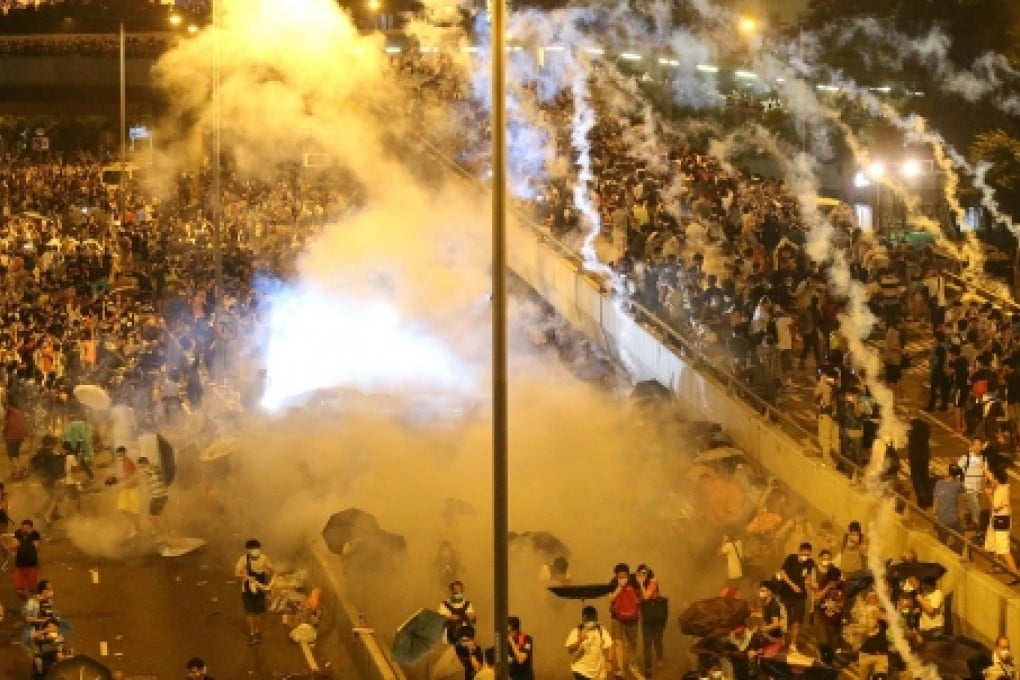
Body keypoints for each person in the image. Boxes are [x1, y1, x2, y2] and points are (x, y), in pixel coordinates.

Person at [234, 538, 275, 645]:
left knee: (259, 612)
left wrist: (270, 584)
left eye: (256, 548)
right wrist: (247, 576)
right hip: (247, 589)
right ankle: (252, 634)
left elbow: (273, 571)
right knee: (250, 612)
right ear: (248, 550)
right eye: (252, 548)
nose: (255, 550)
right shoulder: (243, 559)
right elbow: (236, 573)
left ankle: (257, 632)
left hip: (260, 588)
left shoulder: (264, 558)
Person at [984, 467, 1020, 584]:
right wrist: (985, 470)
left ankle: (1015, 573)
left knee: (1003, 549)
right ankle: (998, 566)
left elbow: (995, 505)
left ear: (997, 480)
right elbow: (990, 476)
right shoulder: (1001, 486)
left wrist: (989, 494)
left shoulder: (1001, 490)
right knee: (994, 544)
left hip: (1001, 521)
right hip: (997, 519)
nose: (992, 479)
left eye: (994, 478)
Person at [777, 542, 814, 652]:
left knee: (797, 621)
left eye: (808, 555)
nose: (805, 557)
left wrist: (810, 583)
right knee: (784, 620)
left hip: (800, 596)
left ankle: (793, 644)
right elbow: (782, 573)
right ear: (799, 551)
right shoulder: (791, 558)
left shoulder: (810, 563)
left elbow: (808, 577)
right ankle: (782, 639)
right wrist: (793, 585)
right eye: (804, 554)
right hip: (786, 594)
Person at [609, 562, 642, 677]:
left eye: (624, 575)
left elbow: (640, 598)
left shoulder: (634, 582)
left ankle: (632, 664)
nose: (622, 578)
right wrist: (619, 588)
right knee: (618, 642)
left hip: (632, 618)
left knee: (632, 642)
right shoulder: (613, 583)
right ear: (616, 575)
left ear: (628, 574)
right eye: (619, 576)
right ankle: (620, 668)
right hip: (617, 617)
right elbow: (610, 599)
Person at [566, 605, 614, 680]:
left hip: (598, 673)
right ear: (583, 618)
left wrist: (609, 661)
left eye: (592, 617)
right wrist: (580, 640)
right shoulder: (577, 631)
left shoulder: (601, 630)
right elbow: (570, 650)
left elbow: (609, 645)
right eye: (588, 618)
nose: (590, 621)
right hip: (581, 670)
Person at [636, 564, 666, 677]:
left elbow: (646, 596)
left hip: (656, 617)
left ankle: (659, 659)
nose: (643, 575)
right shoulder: (639, 584)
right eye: (640, 573)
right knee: (647, 644)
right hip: (646, 618)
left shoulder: (653, 581)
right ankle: (648, 668)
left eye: (645, 573)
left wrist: (640, 583)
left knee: (657, 640)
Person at [857, 590, 890, 680]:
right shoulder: (861, 613)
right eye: (871, 597)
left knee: (880, 678)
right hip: (865, 653)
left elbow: (894, 624)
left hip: (881, 654)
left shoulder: (883, 611)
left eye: (875, 597)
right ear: (866, 600)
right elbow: (855, 631)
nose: (873, 599)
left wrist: (881, 616)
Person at [933, 464, 965, 552]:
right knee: (961, 538)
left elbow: (936, 501)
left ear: (948, 473)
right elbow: (961, 499)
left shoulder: (938, 484)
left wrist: (934, 515)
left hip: (941, 520)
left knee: (942, 541)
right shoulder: (958, 484)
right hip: (954, 519)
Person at [906, 409, 933, 509]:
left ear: (910, 416)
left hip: (915, 456)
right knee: (925, 477)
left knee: (917, 480)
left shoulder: (910, 427)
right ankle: (929, 499)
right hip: (925, 455)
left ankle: (923, 501)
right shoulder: (926, 425)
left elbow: (907, 437)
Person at [957, 440, 987, 529]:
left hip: (978, 488)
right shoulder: (966, 458)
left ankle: (962, 522)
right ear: (971, 446)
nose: (977, 447)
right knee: (975, 508)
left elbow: (984, 473)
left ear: (982, 447)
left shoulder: (984, 459)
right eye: (975, 445)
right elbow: (958, 470)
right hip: (968, 487)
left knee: (970, 507)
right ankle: (977, 527)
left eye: (979, 445)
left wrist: (984, 482)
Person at [439, 580, 478, 644]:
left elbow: (473, 620)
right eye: (455, 591)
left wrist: (472, 617)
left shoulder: (467, 604)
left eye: (460, 591)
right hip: (450, 637)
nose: (458, 593)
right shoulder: (444, 605)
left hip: (466, 636)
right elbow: (439, 620)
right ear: (451, 591)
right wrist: (449, 617)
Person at [114, 447, 141, 537]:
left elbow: (133, 479)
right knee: (123, 508)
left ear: (125, 453)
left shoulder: (129, 462)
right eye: (117, 455)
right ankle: (134, 526)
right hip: (127, 488)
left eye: (120, 455)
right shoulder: (124, 463)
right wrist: (116, 480)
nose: (119, 457)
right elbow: (126, 477)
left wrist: (121, 486)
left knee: (133, 511)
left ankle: (136, 529)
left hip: (133, 489)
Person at [137, 456, 168, 531]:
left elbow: (143, 473)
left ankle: (160, 533)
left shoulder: (147, 469)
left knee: (152, 517)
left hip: (158, 496)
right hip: (162, 495)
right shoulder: (155, 467)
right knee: (158, 516)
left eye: (140, 465)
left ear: (143, 463)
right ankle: (166, 530)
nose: (139, 467)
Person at [13, 518, 42, 597]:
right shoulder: (18, 533)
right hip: (20, 564)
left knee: (32, 589)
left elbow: (37, 546)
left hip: (32, 564)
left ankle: (30, 600)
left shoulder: (35, 534)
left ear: (31, 528)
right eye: (23, 528)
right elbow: (14, 545)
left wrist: (28, 537)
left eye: (27, 528)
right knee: (19, 590)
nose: (25, 530)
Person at [4, 403, 27, 479]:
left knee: (11, 454)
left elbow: (6, 424)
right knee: (16, 453)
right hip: (20, 436)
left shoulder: (9, 412)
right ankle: (15, 470)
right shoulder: (20, 413)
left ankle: (18, 470)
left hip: (11, 436)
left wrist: (4, 434)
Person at [508, 616, 534, 680]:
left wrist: (511, 641)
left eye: (508, 631)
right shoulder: (505, 641)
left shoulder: (526, 639)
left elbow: (521, 660)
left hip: (524, 676)